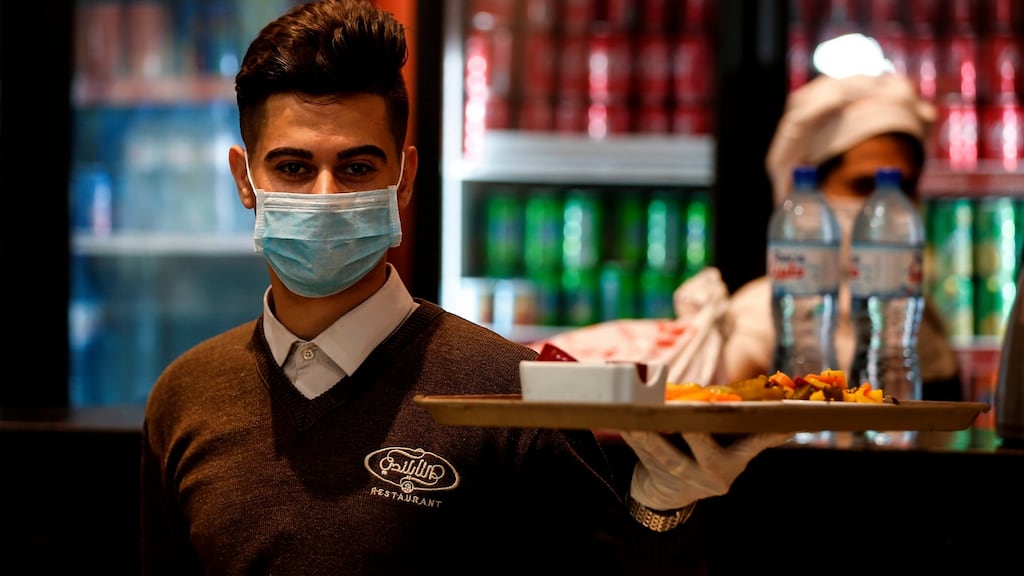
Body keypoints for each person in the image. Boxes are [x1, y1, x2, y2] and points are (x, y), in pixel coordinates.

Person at [139, 2, 788, 574]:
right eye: (294, 167)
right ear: (244, 178)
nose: (327, 195)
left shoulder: (509, 393)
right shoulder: (186, 397)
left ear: (406, 176)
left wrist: (664, 516)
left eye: (358, 166)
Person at [722, 72, 962, 401]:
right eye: (864, 186)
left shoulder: (914, 309)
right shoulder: (761, 311)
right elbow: (730, 392)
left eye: (903, 189)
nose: (885, 208)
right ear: (807, 193)